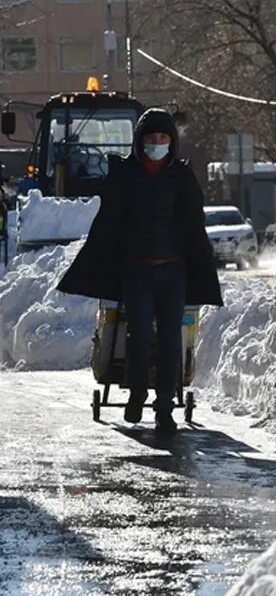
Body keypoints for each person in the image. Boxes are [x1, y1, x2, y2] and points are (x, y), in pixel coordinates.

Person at [58, 109, 223, 434]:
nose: (157, 144)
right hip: (135, 271)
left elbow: (193, 224)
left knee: (170, 341)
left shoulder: (181, 177)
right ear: (141, 142)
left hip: (173, 271)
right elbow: (109, 222)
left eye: (163, 139)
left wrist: (200, 264)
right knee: (139, 336)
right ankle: (136, 393)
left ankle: (164, 409)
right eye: (151, 139)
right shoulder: (126, 176)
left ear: (171, 142)